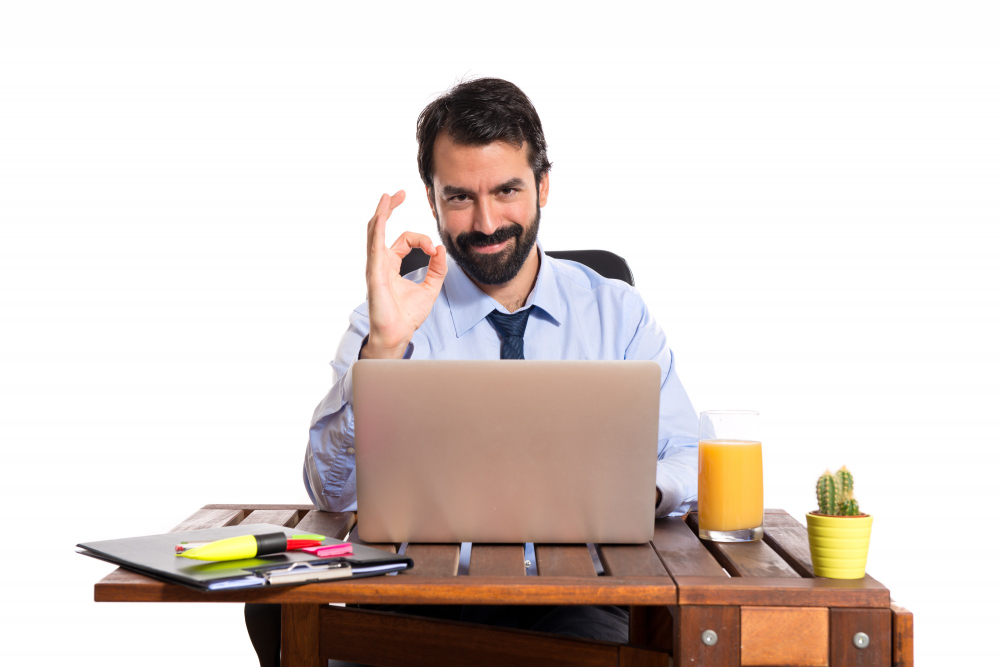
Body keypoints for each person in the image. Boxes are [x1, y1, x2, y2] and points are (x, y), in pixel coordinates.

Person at [247, 77, 700, 666]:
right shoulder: (388, 317)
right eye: (460, 197)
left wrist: (633, 491)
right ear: (432, 202)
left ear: (542, 185)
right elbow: (330, 492)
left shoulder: (618, 314)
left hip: (573, 597)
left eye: (507, 190)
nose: (486, 223)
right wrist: (383, 352)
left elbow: (691, 456)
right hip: (408, 594)